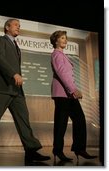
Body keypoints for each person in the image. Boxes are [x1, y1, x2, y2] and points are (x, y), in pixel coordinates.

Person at [0, 18, 50, 162]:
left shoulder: (16, 45)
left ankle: (31, 150)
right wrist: (13, 74)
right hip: (2, 87)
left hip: (16, 90)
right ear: (7, 27)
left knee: (24, 120)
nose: (19, 27)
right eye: (16, 25)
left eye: (19, 26)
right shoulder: (0, 40)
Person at [49, 30, 97, 161]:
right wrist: (74, 90)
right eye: (62, 38)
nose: (65, 40)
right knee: (61, 123)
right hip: (62, 94)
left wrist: (72, 91)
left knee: (79, 119)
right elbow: (62, 74)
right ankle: (58, 150)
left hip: (68, 94)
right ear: (56, 41)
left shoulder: (63, 55)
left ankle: (79, 148)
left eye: (66, 38)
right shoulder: (57, 55)